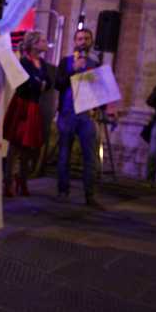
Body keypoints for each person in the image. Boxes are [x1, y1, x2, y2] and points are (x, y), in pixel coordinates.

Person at [54, 28, 101, 207]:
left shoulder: (95, 64)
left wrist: (105, 107)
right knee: (64, 154)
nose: (83, 41)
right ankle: (63, 191)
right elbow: (58, 84)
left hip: (87, 115)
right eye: (80, 38)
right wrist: (73, 70)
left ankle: (90, 195)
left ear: (91, 42)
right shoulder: (65, 61)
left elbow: (100, 89)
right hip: (67, 113)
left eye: (86, 38)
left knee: (90, 157)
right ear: (75, 41)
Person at [3, 31, 51, 197]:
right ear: (34, 44)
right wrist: (38, 84)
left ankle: (22, 180)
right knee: (15, 146)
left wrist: (38, 83)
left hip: (34, 106)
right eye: (43, 40)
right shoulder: (24, 61)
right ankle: (8, 182)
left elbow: (48, 82)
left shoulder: (42, 63)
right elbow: (25, 83)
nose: (46, 43)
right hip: (22, 105)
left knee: (28, 148)